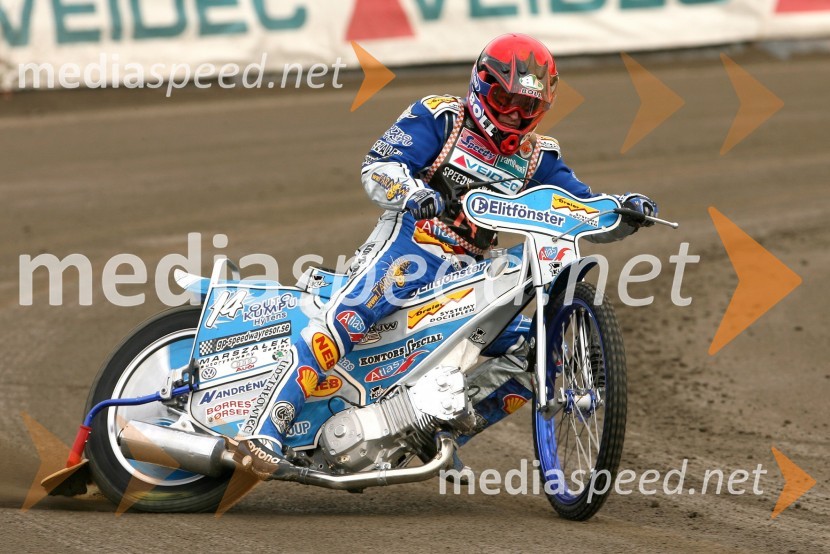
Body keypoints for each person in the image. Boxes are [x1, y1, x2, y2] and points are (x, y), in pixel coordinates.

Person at [231, 33, 657, 479]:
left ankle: (436, 430)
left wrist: (624, 210)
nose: (514, 114)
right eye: (505, 100)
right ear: (481, 85)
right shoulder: (439, 116)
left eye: (526, 106)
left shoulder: (539, 157)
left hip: (471, 275)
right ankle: (263, 430)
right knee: (345, 321)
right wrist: (412, 192)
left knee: (539, 353)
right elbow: (378, 166)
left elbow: (581, 209)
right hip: (408, 250)